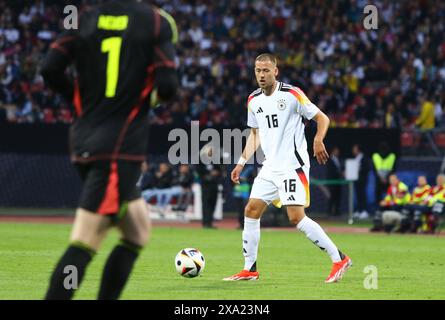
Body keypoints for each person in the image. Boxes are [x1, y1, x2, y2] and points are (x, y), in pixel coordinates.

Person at [41, 1, 178, 300]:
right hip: (118, 149)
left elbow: (49, 68)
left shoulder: (81, 18)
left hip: (84, 138)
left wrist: (77, 97)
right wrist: (145, 99)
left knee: (138, 231)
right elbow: (168, 87)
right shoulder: (155, 22)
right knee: (84, 241)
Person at [224, 53, 351, 283]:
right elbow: (255, 135)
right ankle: (249, 269)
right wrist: (241, 162)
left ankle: (339, 258)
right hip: (269, 166)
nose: (261, 75)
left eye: (266, 70)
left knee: (296, 217)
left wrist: (318, 139)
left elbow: (322, 118)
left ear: (276, 71)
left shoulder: (292, 94)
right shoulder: (253, 100)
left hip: (293, 166)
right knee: (251, 211)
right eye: (257, 70)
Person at [196, 143, 224, 229]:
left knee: (213, 203)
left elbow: (221, 170)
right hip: (205, 185)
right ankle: (205, 223)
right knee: (206, 203)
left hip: (214, 184)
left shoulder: (216, 160)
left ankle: (210, 222)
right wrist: (208, 175)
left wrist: (217, 173)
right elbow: (199, 171)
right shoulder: (201, 160)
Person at [372, 142, 396, 206]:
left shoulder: (392, 156)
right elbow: (374, 169)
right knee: (378, 195)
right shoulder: (375, 156)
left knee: (390, 194)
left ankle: (389, 208)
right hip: (380, 180)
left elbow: (393, 169)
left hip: (388, 181)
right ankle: (379, 209)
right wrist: (383, 178)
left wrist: (385, 179)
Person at [232, 164, 256, 229]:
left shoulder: (250, 168)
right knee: (239, 209)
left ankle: (246, 225)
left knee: (246, 208)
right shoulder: (237, 167)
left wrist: (245, 180)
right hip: (237, 191)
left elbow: (253, 179)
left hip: (246, 191)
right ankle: (241, 224)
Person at [352, 144, 370, 219]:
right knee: (358, 195)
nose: (353, 150)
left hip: (362, 180)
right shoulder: (355, 158)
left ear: (358, 149)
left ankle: (364, 211)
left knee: (362, 195)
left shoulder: (364, 158)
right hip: (356, 180)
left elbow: (366, 168)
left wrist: (359, 170)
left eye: (354, 149)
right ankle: (359, 211)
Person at [326, 146, 343, 216]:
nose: (338, 152)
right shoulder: (329, 160)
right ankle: (330, 212)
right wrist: (339, 173)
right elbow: (330, 171)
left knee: (338, 196)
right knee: (332, 196)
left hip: (338, 181)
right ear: (333, 151)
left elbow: (339, 169)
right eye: (336, 150)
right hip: (332, 182)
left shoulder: (338, 159)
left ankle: (337, 211)